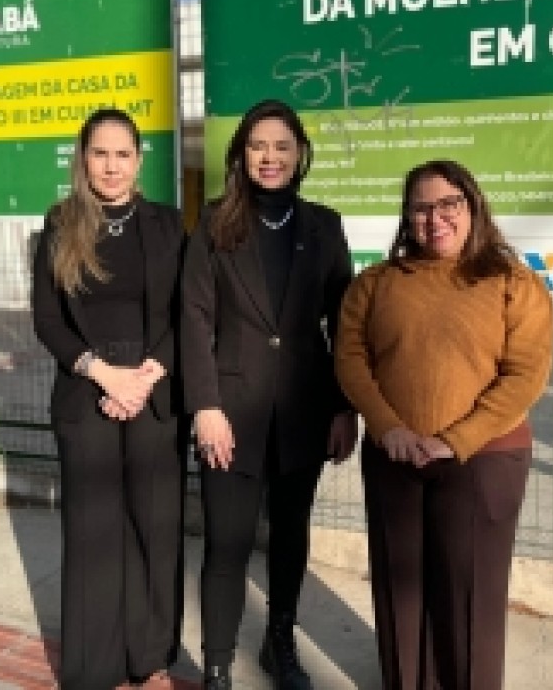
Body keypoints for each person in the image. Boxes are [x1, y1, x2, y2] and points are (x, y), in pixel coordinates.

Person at [334, 159, 553, 690]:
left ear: (473, 207)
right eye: (421, 208)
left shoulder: (514, 284)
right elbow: (350, 358)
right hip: (395, 455)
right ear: (406, 217)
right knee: (400, 594)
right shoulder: (376, 285)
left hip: (485, 458)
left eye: (448, 205)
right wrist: (388, 427)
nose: (435, 219)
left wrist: (455, 440)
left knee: (470, 596)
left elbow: (525, 375)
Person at [180, 99, 358, 690]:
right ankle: (217, 665)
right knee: (226, 546)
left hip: (305, 413)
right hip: (229, 416)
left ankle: (279, 644)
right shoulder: (214, 224)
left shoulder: (325, 226)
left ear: (300, 153)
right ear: (241, 154)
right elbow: (194, 320)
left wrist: (343, 407)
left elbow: (344, 325)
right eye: (258, 145)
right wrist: (205, 407)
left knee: (289, 539)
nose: (270, 157)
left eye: (282, 146)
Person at [32, 108, 185, 690]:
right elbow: (48, 320)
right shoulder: (60, 224)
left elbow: (189, 311)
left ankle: (150, 658)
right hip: (86, 391)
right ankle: (96, 669)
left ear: (139, 160)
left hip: (153, 390)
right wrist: (103, 375)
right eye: (100, 153)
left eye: (123, 154)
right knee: (94, 532)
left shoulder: (169, 225)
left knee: (154, 527)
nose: (112, 166)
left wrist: (143, 378)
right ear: (83, 158)